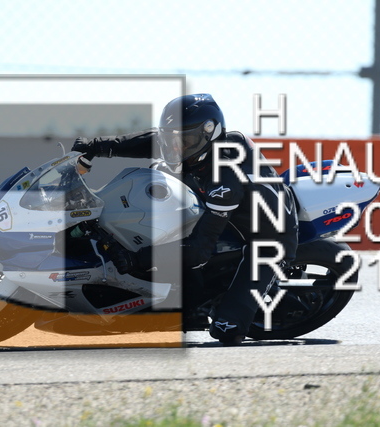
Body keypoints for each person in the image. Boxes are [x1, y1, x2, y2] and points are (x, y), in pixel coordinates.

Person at [72, 93, 298, 345]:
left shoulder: (226, 180)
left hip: (267, 239)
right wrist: (96, 146)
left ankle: (207, 305)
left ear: (209, 134)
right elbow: (155, 140)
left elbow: (199, 250)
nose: (174, 148)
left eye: (184, 141)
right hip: (227, 214)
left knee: (227, 331)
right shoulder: (201, 148)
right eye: (172, 140)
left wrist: (138, 259)